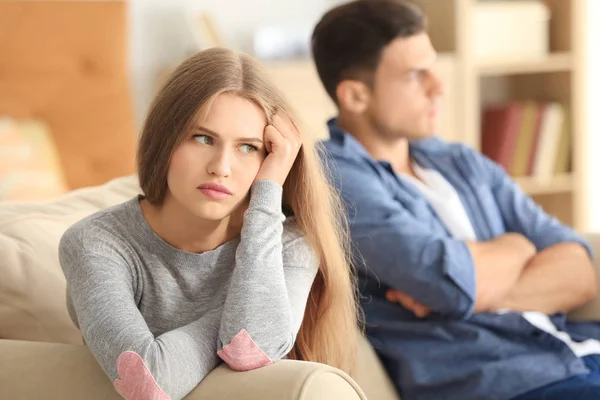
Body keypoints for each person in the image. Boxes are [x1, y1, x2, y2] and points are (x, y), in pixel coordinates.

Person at [312, 1, 600, 399]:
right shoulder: (334, 176)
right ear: (356, 96)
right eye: (416, 75)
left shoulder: (459, 161)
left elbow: (581, 271)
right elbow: (444, 283)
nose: (439, 86)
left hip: (574, 350)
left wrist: (479, 289)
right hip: (503, 379)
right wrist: (517, 246)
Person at [58, 47, 358, 400]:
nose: (221, 166)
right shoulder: (95, 243)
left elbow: (250, 348)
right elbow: (147, 383)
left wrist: (268, 190)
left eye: (248, 147)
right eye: (203, 138)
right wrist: (229, 326)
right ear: (164, 140)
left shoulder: (289, 244)